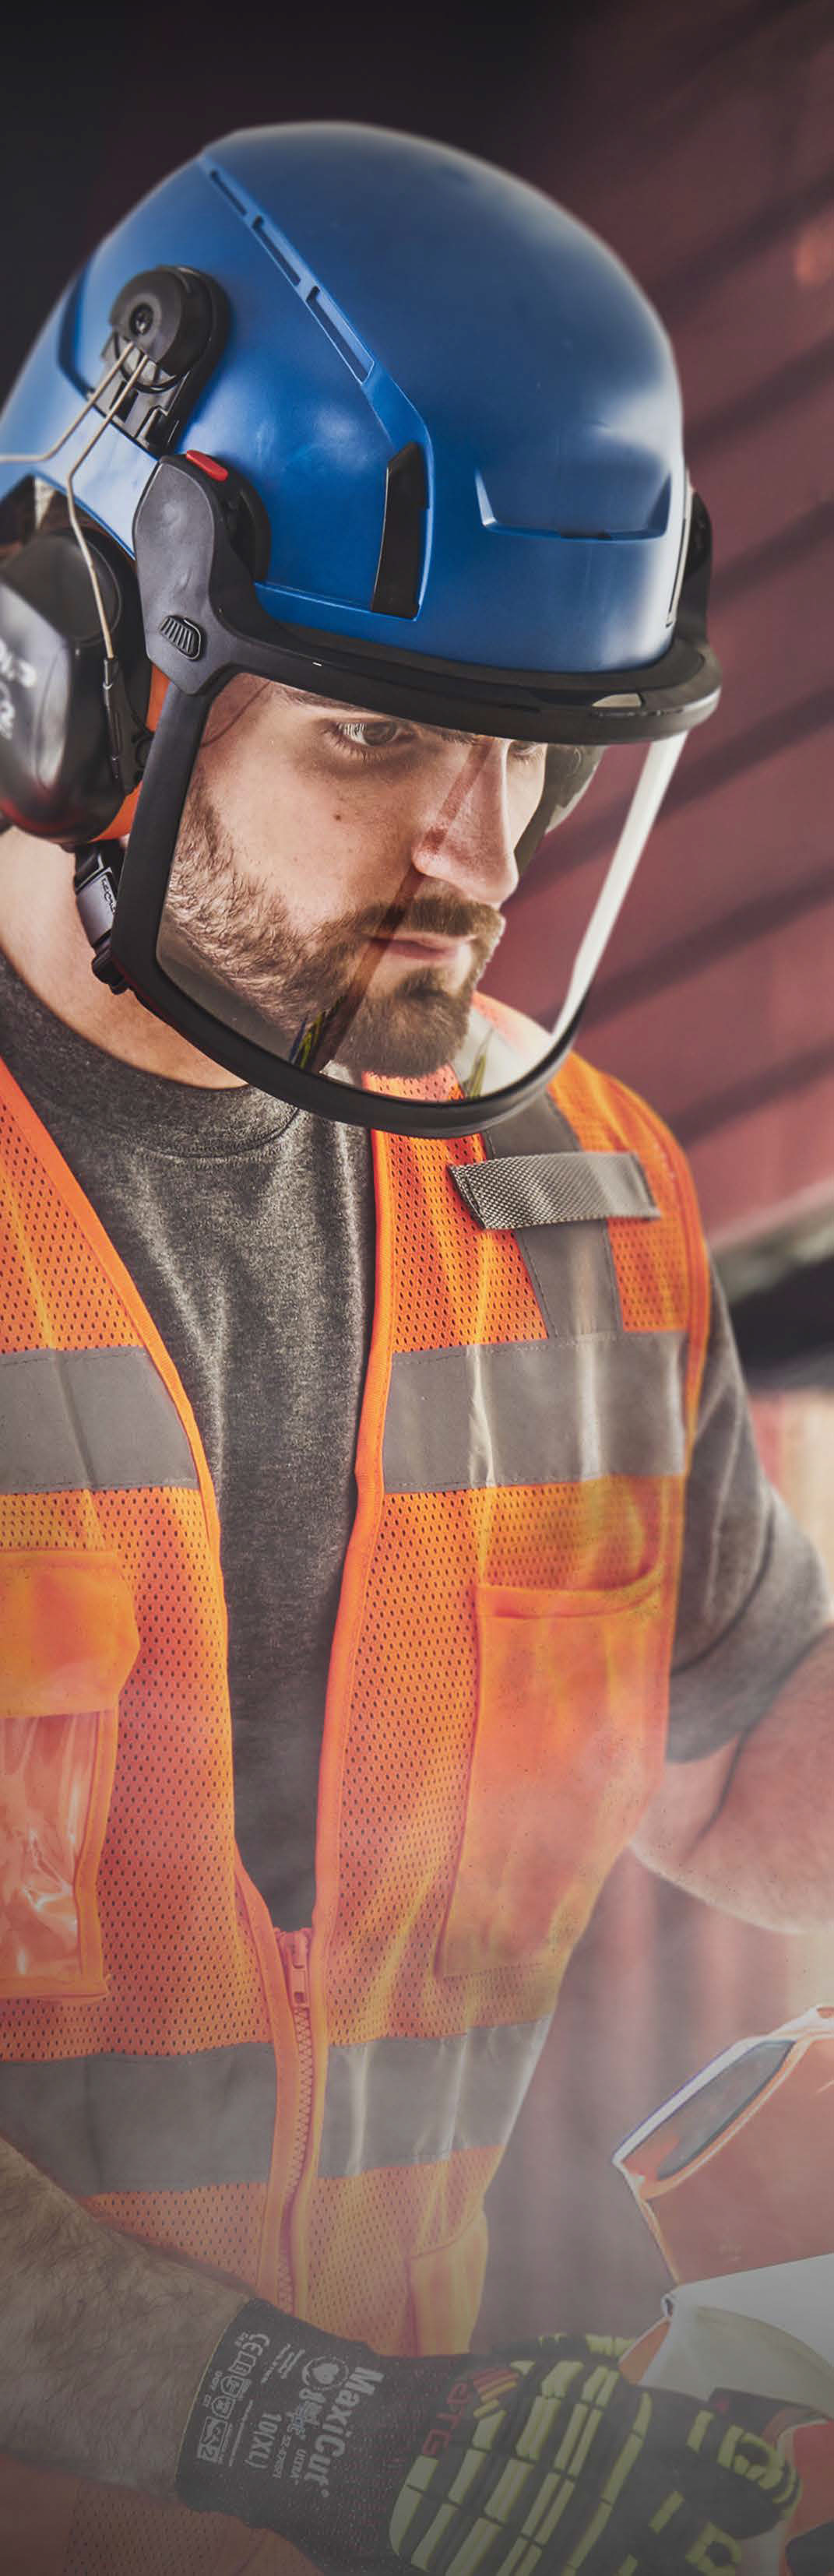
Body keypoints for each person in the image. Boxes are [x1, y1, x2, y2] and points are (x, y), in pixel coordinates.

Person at [0, 121, 830, 2576]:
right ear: (68, 678)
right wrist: (340, 2438)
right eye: (376, 738)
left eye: (540, 744)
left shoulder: (581, 1203)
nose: (486, 853)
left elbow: (737, 1746)